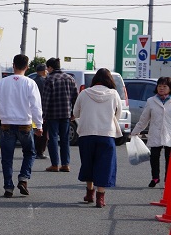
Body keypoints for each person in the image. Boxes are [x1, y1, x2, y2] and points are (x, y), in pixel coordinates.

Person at [0, 55, 43, 198]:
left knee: (7, 157)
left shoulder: (2, 82)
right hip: (25, 124)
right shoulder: (30, 83)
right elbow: (36, 106)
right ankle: (23, 178)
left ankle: (8, 187)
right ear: (27, 66)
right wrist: (39, 125)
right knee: (30, 153)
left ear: (13, 65)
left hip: (6, 124)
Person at [73, 68, 122, 208]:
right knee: (104, 165)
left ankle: (89, 193)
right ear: (109, 80)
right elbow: (118, 113)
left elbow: (75, 112)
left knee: (88, 163)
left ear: (95, 79)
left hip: (86, 133)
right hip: (107, 134)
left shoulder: (84, 93)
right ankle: (100, 197)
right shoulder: (113, 94)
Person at [131, 76, 171, 188]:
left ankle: (168, 179)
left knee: (169, 159)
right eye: (159, 86)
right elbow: (144, 119)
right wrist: (135, 132)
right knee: (154, 157)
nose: (161, 88)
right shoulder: (151, 101)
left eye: (164, 86)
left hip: (169, 133)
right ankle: (155, 178)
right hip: (155, 133)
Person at [43, 57, 78, 172]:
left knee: (52, 138)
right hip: (66, 113)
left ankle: (54, 164)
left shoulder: (49, 79)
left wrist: (43, 115)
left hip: (53, 114)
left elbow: (46, 99)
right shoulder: (70, 78)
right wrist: (74, 112)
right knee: (65, 139)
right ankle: (65, 164)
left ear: (50, 67)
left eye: (47, 68)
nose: (47, 70)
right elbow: (75, 97)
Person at [33, 63, 49, 159]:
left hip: (33, 110)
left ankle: (34, 150)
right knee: (43, 132)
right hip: (43, 110)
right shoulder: (45, 82)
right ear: (43, 71)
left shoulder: (34, 81)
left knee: (35, 131)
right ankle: (40, 152)